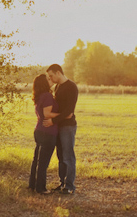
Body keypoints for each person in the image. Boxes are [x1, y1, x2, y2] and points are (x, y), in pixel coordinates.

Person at [45, 64, 79, 195]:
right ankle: (62, 183)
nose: (51, 79)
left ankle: (70, 186)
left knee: (68, 156)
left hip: (68, 126)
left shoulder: (71, 87)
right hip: (59, 125)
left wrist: (53, 120)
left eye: (51, 76)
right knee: (60, 155)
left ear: (58, 73)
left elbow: (69, 112)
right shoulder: (57, 87)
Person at [28, 74, 60, 194]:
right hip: (48, 132)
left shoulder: (40, 96)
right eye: (47, 79)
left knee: (36, 160)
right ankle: (41, 188)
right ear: (43, 83)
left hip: (39, 130)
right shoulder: (47, 96)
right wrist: (63, 115)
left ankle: (32, 185)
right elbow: (47, 114)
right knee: (43, 162)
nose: (50, 80)